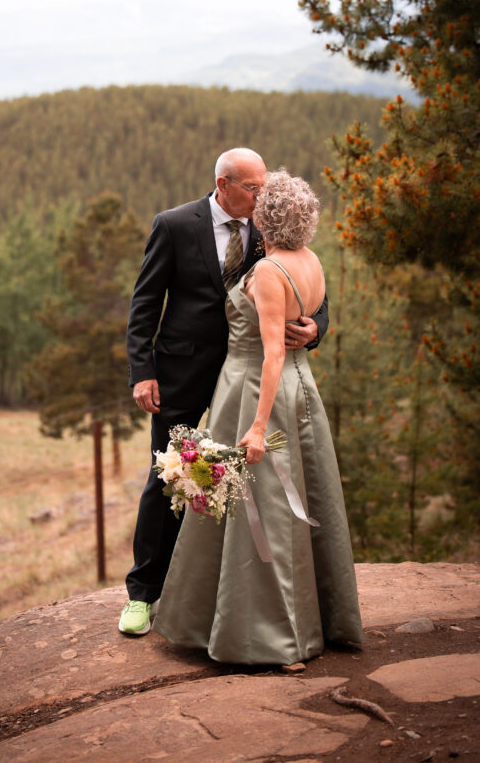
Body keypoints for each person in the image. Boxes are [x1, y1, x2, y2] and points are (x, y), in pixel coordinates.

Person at [152, 170, 363, 664]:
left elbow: (271, 354)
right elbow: (301, 327)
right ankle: (315, 619)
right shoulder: (310, 260)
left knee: (263, 509)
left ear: (266, 218)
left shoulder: (268, 271)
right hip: (301, 385)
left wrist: (256, 426)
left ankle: (266, 634)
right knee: (303, 500)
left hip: (256, 391)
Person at [119, 149, 329, 636]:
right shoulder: (173, 224)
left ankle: (207, 590)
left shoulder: (270, 229)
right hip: (183, 370)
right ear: (223, 183)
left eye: (264, 188)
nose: (262, 197)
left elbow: (314, 293)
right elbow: (145, 301)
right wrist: (142, 371)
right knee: (170, 475)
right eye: (252, 188)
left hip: (249, 373)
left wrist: (314, 329)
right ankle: (143, 595)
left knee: (253, 480)